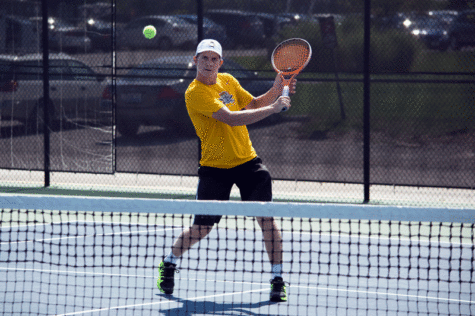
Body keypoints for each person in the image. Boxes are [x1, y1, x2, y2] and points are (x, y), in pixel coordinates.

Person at [157, 39, 296, 302]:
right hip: (214, 168)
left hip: (248, 163)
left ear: (220, 63)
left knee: (266, 219)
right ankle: (169, 262)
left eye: (214, 59)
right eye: (204, 58)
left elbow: (253, 104)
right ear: (195, 60)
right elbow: (231, 118)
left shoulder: (228, 81)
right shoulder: (194, 93)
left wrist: (276, 90)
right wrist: (276, 108)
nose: (209, 63)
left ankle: (278, 279)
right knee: (202, 228)